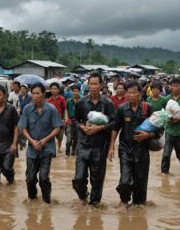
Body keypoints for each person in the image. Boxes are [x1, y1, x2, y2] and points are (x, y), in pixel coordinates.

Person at [108, 81, 160, 205]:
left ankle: (138, 212)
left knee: (140, 185)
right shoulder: (122, 109)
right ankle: (124, 201)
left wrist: (148, 135)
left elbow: (159, 129)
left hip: (142, 150)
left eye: (134, 92)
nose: (131, 95)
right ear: (126, 94)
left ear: (140, 93)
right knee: (125, 181)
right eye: (129, 93)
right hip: (125, 149)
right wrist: (111, 147)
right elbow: (115, 128)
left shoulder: (148, 108)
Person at [72, 73, 117, 207]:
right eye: (91, 84)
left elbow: (114, 123)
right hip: (83, 145)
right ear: (88, 85)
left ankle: (94, 204)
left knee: (97, 179)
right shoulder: (81, 102)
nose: (93, 87)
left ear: (101, 85)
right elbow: (74, 120)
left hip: (100, 146)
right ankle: (83, 195)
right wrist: (81, 127)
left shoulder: (107, 103)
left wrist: (100, 127)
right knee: (78, 178)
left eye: (96, 84)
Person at [19, 83, 63, 203]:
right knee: (30, 178)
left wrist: (45, 139)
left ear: (43, 94)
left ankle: (46, 200)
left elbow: (57, 128)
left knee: (43, 178)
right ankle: (32, 200)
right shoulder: (27, 109)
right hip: (32, 150)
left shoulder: (51, 109)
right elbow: (23, 128)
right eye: (33, 93)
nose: (34, 96)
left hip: (47, 148)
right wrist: (32, 141)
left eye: (37, 93)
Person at [47, 82, 67, 154]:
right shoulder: (48, 101)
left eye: (55, 89)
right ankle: (53, 150)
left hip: (60, 120)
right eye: (52, 89)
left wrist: (66, 118)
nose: (53, 90)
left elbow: (65, 109)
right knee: (51, 136)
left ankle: (59, 148)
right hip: (51, 121)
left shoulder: (62, 99)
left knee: (60, 136)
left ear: (58, 90)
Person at [65, 84, 80, 157]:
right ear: (72, 92)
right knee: (69, 139)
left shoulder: (81, 100)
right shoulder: (69, 101)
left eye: (76, 91)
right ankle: (67, 154)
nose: (75, 93)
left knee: (77, 139)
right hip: (70, 122)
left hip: (78, 122)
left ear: (79, 91)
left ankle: (73, 151)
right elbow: (66, 110)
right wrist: (66, 119)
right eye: (74, 91)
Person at [17, 84, 32, 150]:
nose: (22, 90)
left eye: (24, 89)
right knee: (19, 130)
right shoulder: (20, 96)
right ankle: (22, 142)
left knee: (26, 129)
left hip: (28, 115)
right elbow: (19, 105)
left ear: (27, 90)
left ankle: (24, 142)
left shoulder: (29, 97)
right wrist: (18, 109)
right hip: (21, 115)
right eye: (21, 89)